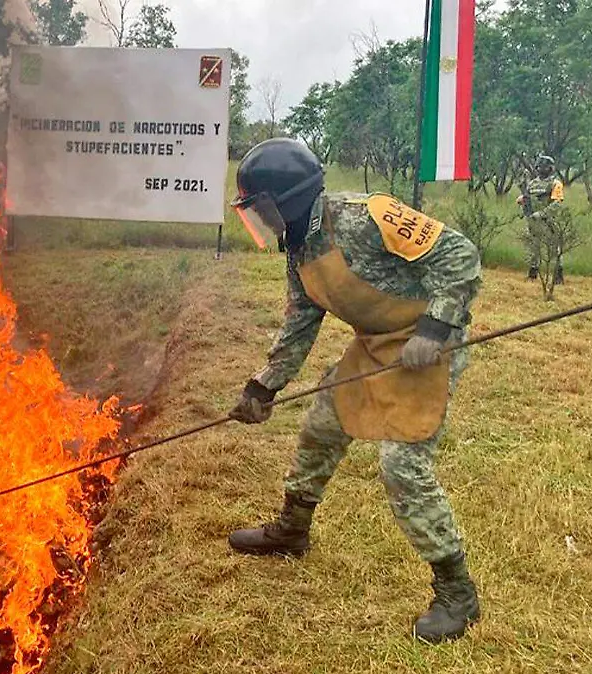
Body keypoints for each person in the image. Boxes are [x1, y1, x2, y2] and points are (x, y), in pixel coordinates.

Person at [226, 138, 484, 644]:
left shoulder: (370, 217)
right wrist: (264, 386)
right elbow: (301, 324)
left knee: (401, 465)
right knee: (322, 425)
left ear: (289, 199)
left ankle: (458, 593)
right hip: (375, 344)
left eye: (261, 209)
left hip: (428, 344)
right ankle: (292, 530)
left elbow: (462, 255)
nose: (260, 221)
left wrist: (435, 328)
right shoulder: (298, 248)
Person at [517, 154, 566, 283]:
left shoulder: (555, 184)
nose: (542, 169)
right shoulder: (532, 184)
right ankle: (533, 273)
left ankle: (558, 276)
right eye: (540, 166)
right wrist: (523, 206)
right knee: (533, 248)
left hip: (549, 220)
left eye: (545, 166)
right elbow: (527, 199)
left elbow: (557, 203)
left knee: (554, 249)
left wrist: (543, 213)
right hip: (533, 220)